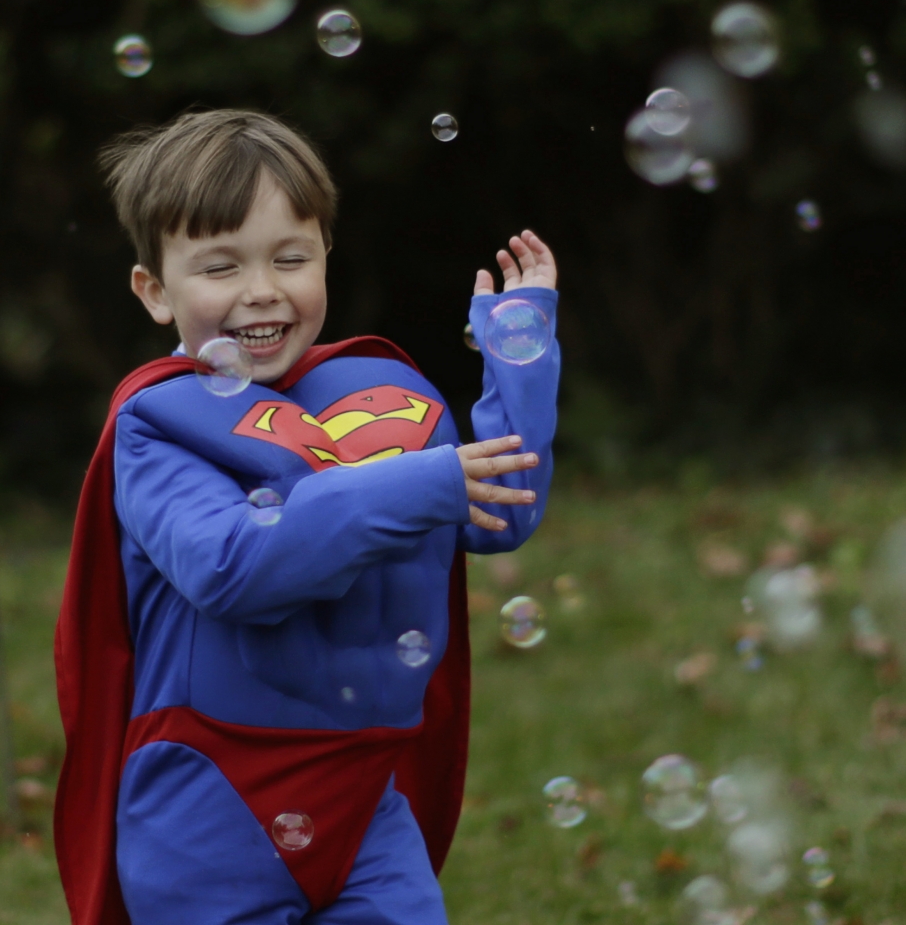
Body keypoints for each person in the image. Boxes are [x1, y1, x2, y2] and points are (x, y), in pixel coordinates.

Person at [52, 108, 560, 925]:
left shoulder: (381, 396)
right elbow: (233, 568)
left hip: (366, 794)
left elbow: (498, 511)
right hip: (211, 800)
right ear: (154, 291)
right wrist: (413, 486)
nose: (262, 290)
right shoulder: (157, 425)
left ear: (326, 254)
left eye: (290, 257)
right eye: (220, 267)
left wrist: (521, 348)